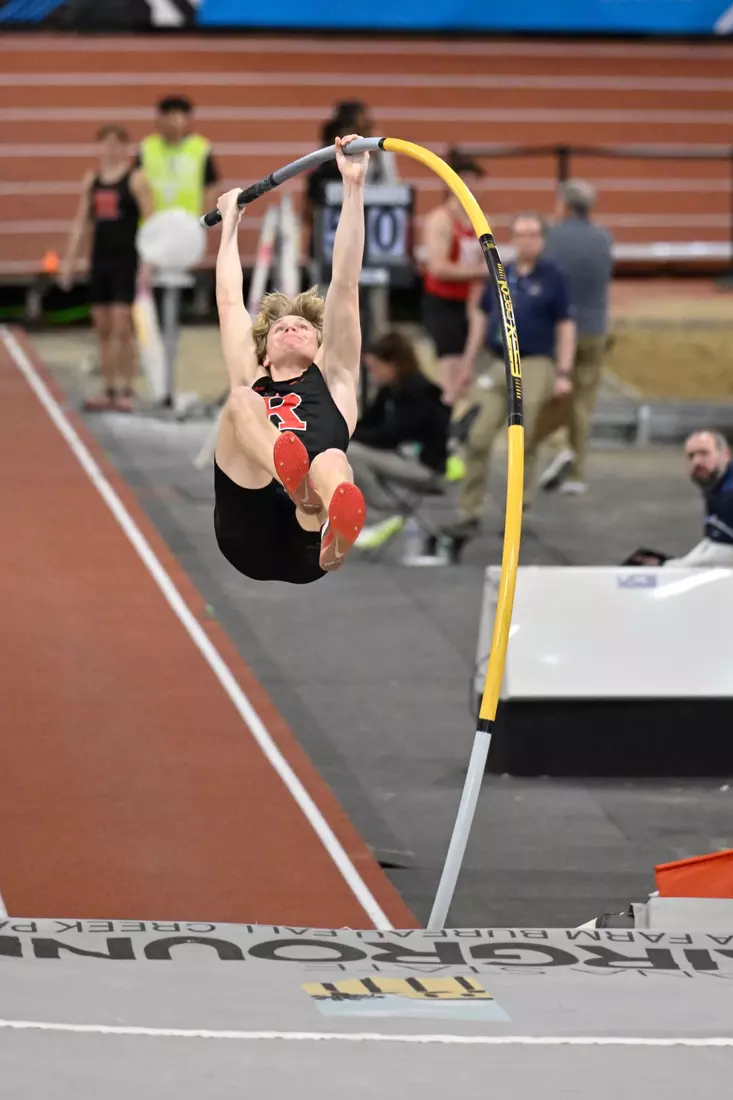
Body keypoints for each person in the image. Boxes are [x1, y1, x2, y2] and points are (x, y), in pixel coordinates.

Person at [212, 134, 369, 584]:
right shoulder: (253, 375)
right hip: (247, 528)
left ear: (321, 346)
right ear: (263, 352)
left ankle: (331, 526)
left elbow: (345, 282)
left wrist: (353, 187)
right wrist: (230, 225)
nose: (290, 328)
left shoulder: (335, 379)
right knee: (241, 400)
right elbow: (229, 302)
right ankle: (296, 486)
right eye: (280, 328)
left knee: (332, 462)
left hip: (307, 547)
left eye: (302, 327)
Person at [440, 212, 576, 542]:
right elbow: (481, 321)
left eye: (532, 234)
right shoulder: (500, 274)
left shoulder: (553, 279)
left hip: (534, 361)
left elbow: (565, 325)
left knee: (522, 439)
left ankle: (516, 512)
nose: (526, 241)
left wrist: (564, 371)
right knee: (477, 436)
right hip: (498, 361)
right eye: (520, 234)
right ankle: (469, 511)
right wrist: (468, 364)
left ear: (541, 240)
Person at [60, 124, 154, 412]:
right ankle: (108, 388)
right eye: (105, 144)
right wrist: (69, 261)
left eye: (116, 144)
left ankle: (127, 389)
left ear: (126, 148)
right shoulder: (92, 180)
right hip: (100, 261)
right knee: (102, 328)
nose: (110, 150)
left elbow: (151, 224)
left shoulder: (136, 179)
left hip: (127, 261)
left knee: (122, 328)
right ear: (99, 148)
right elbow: (82, 222)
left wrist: (147, 264)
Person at [533, 179, 615, 495]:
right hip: (595, 329)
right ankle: (577, 474)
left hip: (559, 331)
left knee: (549, 397)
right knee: (583, 405)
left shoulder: (552, 238)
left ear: (565, 205)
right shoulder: (603, 238)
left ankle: (557, 450)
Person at [348, 330, 450, 550]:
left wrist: (351, 437)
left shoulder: (419, 393)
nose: (372, 375)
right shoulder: (390, 390)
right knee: (344, 449)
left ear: (392, 364)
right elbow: (370, 423)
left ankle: (387, 513)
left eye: (375, 368)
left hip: (424, 466)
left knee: (352, 454)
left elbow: (390, 436)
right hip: (401, 456)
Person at [420, 151, 487, 407]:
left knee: (465, 378)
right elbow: (438, 268)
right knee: (449, 377)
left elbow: (479, 271)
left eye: (474, 182)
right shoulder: (441, 220)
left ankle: (456, 423)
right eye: (465, 181)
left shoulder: (479, 222)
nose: (470, 188)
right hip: (443, 303)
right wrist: (480, 271)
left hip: (468, 303)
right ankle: (444, 423)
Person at [629, 431, 733, 568]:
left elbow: (726, 551)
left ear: (725, 454)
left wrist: (671, 567)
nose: (696, 462)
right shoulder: (718, 484)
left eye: (704, 453)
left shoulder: (728, 493)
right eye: (691, 456)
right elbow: (717, 541)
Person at [137, 95, 221, 218]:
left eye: (177, 116)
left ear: (187, 119)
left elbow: (210, 187)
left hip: (189, 221)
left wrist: (205, 218)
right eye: (168, 116)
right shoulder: (146, 147)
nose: (172, 121)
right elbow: (137, 185)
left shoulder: (201, 148)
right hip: (154, 222)